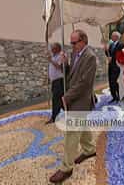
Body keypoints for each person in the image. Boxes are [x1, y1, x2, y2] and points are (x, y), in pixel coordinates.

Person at [49, 30, 97, 183]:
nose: (72, 45)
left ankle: (66, 168)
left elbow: (85, 83)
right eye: (71, 42)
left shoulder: (90, 57)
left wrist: (67, 96)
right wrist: (66, 64)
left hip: (80, 99)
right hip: (73, 98)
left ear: (83, 40)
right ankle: (89, 149)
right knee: (80, 126)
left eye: (74, 42)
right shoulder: (76, 53)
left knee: (71, 134)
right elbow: (72, 74)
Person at [46, 43, 67, 124]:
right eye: (51, 48)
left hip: (59, 81)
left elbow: (59, 67)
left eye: (53, 48)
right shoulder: (54, 56)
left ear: (58, 48)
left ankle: (54, 117)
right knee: (61, 100)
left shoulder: (61, 55)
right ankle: (68, 113)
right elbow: (51, 68)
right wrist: (49, 78)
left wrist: (51, 60)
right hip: (54, 81)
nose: (51, 50)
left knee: (56, 99)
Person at [105, 31, 123, 103]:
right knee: (111, 82)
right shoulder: (111, 44)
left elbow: (121, 55)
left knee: (115, 82)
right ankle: (114, 96)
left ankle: (119, 96)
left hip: (117, 66)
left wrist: (112, 58)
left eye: (112, 36)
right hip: (111, 66)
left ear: (116, 37)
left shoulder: (121, 45)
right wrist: (106, 50)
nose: (111, 37)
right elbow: (108, 54)